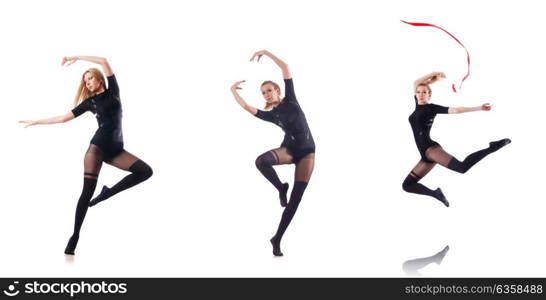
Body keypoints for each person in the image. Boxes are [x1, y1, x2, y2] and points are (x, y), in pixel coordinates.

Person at [20, 56, 153, 255]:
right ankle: (74, 236)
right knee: (86, 193)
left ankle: (107, 194)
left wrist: (77, 57)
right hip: (97, 148)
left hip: (116, 149)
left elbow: (105, 61)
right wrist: (37, 121)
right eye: (85, 81)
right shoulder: (90, 102)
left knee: (145, 171)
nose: (88, 83)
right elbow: (63, 118)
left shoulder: (113, 91)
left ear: (100, 79)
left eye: (90, 78)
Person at [230, 50, 315, 256]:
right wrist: (232, 90)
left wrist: (266, 53)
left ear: (277, 90)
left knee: (295, 200)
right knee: (261, 161)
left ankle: (277, 238)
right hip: (288, 149)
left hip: (307, 153)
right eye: (264, 92)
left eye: (269, 90)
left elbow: (285, 68)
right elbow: (247, 107)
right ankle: (280, 187)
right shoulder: (272, 114)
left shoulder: (291, 100)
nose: (267, 94)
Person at [402, 72, 510, 206]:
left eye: (424, 92)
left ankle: (492, 147)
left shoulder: (431, 108)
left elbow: (456, 110)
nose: (420, 94)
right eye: (418, 92)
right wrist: (433, 76)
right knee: (407, 185)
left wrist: (479, 108)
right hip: (425, 155)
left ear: (429, 95)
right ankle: (435, 193)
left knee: (462, 167)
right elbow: (416, 83)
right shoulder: (417, 105)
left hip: (431, 150)